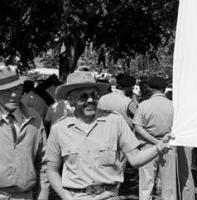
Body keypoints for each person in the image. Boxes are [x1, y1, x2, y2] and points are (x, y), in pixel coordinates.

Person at [45, 71, 173, 200]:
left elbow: (135, 159)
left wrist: (158, 147)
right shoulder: (59, 129)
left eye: (94, 95)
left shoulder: (115, 121)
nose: (90, 100)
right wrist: (66, 196)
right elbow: (51, 170)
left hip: (108, 196)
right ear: (71, 100)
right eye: (83, 97)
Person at [134, 76, 194, 200]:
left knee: (146, 185)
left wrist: (156, 142)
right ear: (164, 89)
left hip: (148, 147)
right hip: (169, 146)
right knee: (169, 187)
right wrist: (161, 142)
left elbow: (138, 128)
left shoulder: (144, 105)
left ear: (150, 88)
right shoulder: (174, 106)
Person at [0, 68, 49, 200]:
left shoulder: (34, 118)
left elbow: (43, 162)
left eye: (16, 89)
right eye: (6, 91)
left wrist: (43, 195)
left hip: (25, 196)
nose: (14, 95)